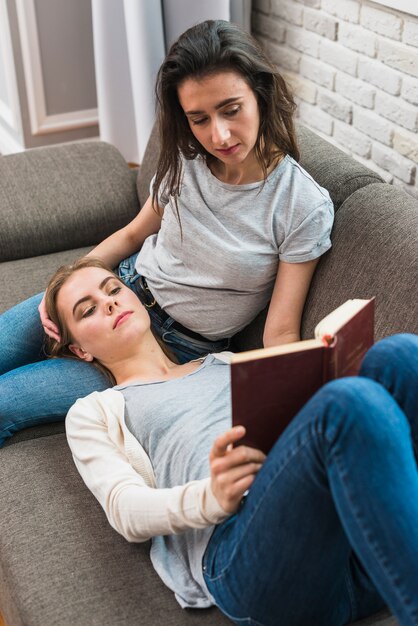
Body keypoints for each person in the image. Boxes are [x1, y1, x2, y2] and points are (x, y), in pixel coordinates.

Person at [0, 19, 334, 446]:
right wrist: (64, 282)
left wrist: (282, 410)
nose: (219, 135)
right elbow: (131, 235)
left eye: (231, 109)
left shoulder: (301, 206)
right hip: (114, 289)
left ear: (260, 94)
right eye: (199, 119)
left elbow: (280, 333)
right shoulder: (188, 162)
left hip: (164, 349)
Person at [46, 257, 418, 626]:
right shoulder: (95, 411)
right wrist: (213, 497)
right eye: (88, 310)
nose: (109, 302)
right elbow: (124, 509)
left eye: (113, 289)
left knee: (399, 355)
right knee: (348, 403)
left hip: (347, 537)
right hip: (250, 560)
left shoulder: (226, 362)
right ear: (80, 350)